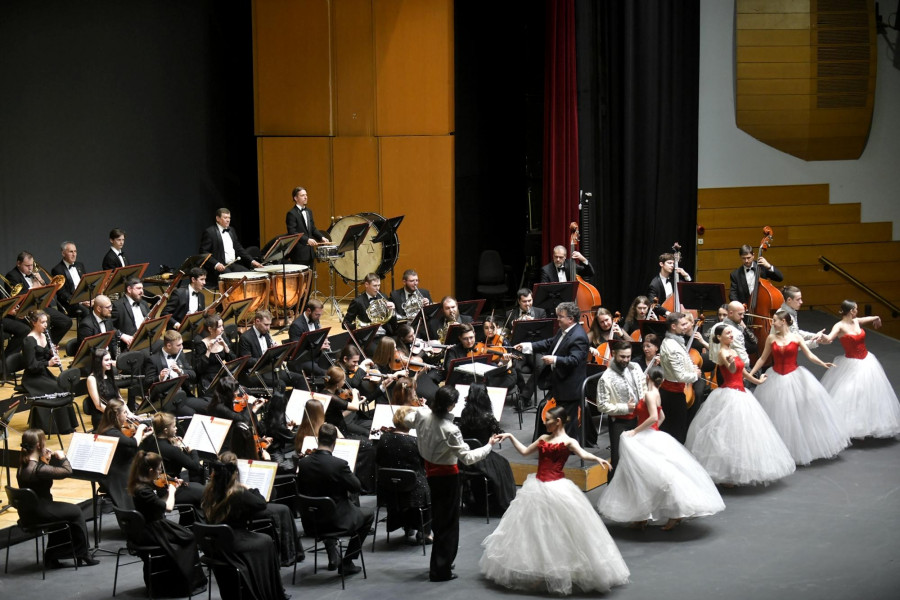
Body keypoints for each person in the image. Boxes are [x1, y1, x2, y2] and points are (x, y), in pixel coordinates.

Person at [481, 406, 629, 595]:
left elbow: (583, 454)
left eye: (548, 420)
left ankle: (558, 571)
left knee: (558, 533)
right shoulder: (543, 439)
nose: (545, 423)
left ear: (558, 422)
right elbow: (525, 452)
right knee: (538, 532)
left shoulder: (568, 441)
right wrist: (510, 436)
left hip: (557, 489)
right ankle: (542, 571)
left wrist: (599, 460)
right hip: (537, 488)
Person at [597, 367, 724, 531]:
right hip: (652, 434)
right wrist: (654, 429)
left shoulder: (650, 395)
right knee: (645, 476)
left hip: (647, 435)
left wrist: (635, 431)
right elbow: (661, 416)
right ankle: (643, 516)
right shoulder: (656, 393)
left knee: (648, 476)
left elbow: (654, 417)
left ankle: (665, 514)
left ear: (648, 377)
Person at [403, 386, 501, 582]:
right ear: (451, 405)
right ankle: (441, 569)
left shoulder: (422, 414)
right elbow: (468, 458)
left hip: (428, 471)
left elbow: (406, 420)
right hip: (447, 477)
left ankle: (444, 560)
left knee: (439, 519)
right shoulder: (450, 429)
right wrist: (489, 445)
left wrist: (419, 408)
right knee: (447, 523)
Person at [685, 324, 795, 486]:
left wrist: (758, 380)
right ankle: (726, 473)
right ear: (719, 337)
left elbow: (742, 372)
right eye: (727, 333)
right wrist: (730, 362)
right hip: (729, 393)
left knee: (744, 432)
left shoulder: (733, 351)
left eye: (731, 333)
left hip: (741, 392)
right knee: (727, 433)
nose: (731, 335)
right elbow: (731, 367)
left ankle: (736, 470)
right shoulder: (722, 352)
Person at [748, 310, 849, 465]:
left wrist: (822, 363)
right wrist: (751, 374)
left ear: (783, 322)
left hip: (794, 376)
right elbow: (762, 358)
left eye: (774, 320)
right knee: (778, 412)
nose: (772, 323)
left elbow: (809, 355)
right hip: (775, 377)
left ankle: (798, 447)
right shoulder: (771, 338)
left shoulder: (796, 338)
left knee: (797, 413)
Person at [202, 455, 289, 600]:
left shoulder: (208, 491)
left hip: (215, 542)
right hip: (233, 542)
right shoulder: (238, 493)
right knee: (266, 540)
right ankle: (269, 591)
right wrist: (250, 488)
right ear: (235, 475)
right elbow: (261, 503)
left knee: (261, 539)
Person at [295, 423, 373, 576]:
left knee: (324, 508)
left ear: (318, 440)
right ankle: (348, 561)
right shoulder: (339, 464)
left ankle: (332, 551)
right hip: (337, 521)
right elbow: (356, 487)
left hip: (312, 522)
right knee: (368, 514)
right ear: (334, 442)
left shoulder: (303, 463)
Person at [127, 451, 207, 596]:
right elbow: (168, 507)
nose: (160, 473)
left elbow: (158, 504)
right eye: (158, 469)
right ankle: (185, 583)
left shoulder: (141, 484)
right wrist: (171, 491)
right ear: (150, 470)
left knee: (187, 535)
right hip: (152, 529)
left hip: (152, 525)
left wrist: (170, 488)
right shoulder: (143, 491)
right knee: (188, 538)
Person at [16, 429, 98, 569]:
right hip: (41, 511)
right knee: (76, 511)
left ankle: (53, 555)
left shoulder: (23, 465)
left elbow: (40, 478)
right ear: (39, 446)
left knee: (63, 515)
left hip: (29, 512)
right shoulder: (38, 469)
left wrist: (45, 461)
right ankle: (83, 553)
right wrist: (62, 457)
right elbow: (67, 471)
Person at [819, 300, 900, 439]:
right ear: (851, 311)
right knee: (850, 392)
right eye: (856, 309)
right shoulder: (839, 326)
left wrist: (876, 318)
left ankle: (870, 423)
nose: (857, 311)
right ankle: (847, 426)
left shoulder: (856, 321)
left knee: (870, 392)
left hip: (867, 360)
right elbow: (830, 338)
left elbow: (865, 319)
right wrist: (823, 338)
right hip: (851, 363)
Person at [515, 301, 589, 439]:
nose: (558, 319)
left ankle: (569, 448)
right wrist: (528, 346)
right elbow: (550, 342)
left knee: (569, 421)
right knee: (563, 419)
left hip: (570, 386)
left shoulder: (578, 336)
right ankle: (563, 445)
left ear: (570, 319)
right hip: (561, 382)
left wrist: (554, 359)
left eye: (560, 316)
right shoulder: (565, 331)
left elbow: (574, 360)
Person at [374, 406, 432, 544]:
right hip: (413, 488)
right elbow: (425, 464)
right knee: (427, 486)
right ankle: (424, 532)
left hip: (388, 487)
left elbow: (378, 460)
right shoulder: (416, 442)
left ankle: (407, 526)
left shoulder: (384, 438)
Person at [457, 384, 516, 516]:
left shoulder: (464, 413)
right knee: (504, 464)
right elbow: (500, 433)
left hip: (466, 456)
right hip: (483, 457)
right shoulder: (488, 416)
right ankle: (498, 503)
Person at [138, 413, 206, 521]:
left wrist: (173, 444)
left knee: (195, 487)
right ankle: (197, 523)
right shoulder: (171, 450)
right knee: (206, 492)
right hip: (168, 489)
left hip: (150, 487)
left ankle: (187, 520)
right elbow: (195, 466)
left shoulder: (148, 441)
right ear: (165, 430)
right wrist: (193, 451)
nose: (176, 429)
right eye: (174, 426)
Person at [22, 310, 77, 435]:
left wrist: (50, 354)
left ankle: (66, 425)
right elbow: (31, 366)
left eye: (46, 322)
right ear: (34, 323)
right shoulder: (29, 341)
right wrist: (49, 363)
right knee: (56, 387)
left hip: (43, 373)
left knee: (63, 385)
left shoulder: (44, 335)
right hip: (32, 378)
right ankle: (55, 427)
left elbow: (43, 356)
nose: (45, 325)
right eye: (42, 322)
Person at [5, 251, 72, 345]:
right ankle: (45, 348)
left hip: (41, 307)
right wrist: (33, 287)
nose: (30, 268)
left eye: (31, 265)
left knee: (66, 322)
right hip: (26, 311)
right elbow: (17, 296)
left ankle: (49, 345)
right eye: (27, 265)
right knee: (44, 322)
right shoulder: (12, 275)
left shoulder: (34, 274)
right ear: (18, 263)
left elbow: (45, 293)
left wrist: (42, 282)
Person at [96, 398, 152, 509]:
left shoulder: (109, 429)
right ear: (117, 414)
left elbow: (129, 443)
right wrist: (140, 428)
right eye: (125, 412)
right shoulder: (111, 432)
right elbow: (133, 443)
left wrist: (145, 435)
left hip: (121, 467)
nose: (127, 415)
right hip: (117, 474)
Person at [596, 341, 642, 473]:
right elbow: (602, 406)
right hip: (619, 423)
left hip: (639, 419)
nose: (626, 360)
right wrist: (625, 408)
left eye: (628, 356)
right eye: (622, 357)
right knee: (617, 460)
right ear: (614, 354)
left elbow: (642, 388)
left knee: (637, 459)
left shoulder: (636, 367)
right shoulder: (606, 378)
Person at [657, 312, 700, 444]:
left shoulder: (673, 341)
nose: (685, 327)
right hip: (672, 397)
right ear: (673, 326)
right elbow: (680, 376)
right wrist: (695, 375)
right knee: (676, 433)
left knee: (674, 431)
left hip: (673, 393)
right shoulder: (672, 346)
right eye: (682, 325)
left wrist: (691, 367)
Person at [144, 330, 207, 416]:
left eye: (181, 344)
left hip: (183, 395)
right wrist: (159, 378)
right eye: (178, 345)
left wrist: (180, 371)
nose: (182, 347)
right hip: (166, 400)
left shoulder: (180, 355)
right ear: (169, 345)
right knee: (191, 413)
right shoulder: (153, 360)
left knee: (208, 406)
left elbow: (193, 375)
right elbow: (147, 384)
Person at [199, 208, 263, 286]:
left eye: (229, 218)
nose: (228, 220)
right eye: (225, 218)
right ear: (218, 218)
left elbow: (239, 249)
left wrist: (252, 261)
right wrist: (216, 264)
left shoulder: (231, 230)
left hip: (233, 265)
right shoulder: (210, 232)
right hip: (220, 267)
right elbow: (203, 252)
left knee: (249, 276)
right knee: (232, 281)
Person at [286, 186, 330, 266]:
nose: (305, 197)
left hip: (310, 253)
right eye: (302, 195)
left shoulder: (309, 211)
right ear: (295, 198)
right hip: (299, 254)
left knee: (310, 278)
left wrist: (321, 237)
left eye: (306, 195)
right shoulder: (291, 214)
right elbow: (292, 232)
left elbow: (312, 228)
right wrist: (306, 240)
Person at [286, 298, 329, 376]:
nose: (319, 317)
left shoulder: (315, 319)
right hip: (301, 361)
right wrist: (318, 347)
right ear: (309, 310)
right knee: (325, 373)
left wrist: (323, 340)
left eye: (320, 314)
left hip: (314, 357)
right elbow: (298, 350)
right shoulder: (296, 325)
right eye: (317, 314)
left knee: (334, 365)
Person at [195, 313, 236, 393]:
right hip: (209, 381)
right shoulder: (202, 344)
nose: (222, 329)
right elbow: (199, 369)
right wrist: (208, 351)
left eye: (222, 326)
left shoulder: (223, 337)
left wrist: (226, 347)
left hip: (222, 377)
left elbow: (232, 360)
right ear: (210, 329)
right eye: (219, 326)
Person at [85, 348, 125, 429]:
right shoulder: (91, 379)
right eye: (107, 360)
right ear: (99, 362)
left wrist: (127, 412)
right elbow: (98, 405)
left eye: (110, 359)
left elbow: (119, 397)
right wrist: (116, 417)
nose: (110, 362)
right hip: (103, 418)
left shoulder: (109, 376)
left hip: (116, 414)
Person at [51, 241, 89, 318]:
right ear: (63, 253)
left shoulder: (80, 265)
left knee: (103, 305)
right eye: (71, 252)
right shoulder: (57, 270)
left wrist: (91, 298)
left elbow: (86, 285)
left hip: (83, 299)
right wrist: (80, 302)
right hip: (70, 304)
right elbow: (62, 293)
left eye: (75, 251)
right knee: (87, 312)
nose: (74, 254)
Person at [111, 276, 149, 350]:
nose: (142, 291)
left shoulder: (143, 303)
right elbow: (109, 326)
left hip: (145, 340)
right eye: (138, 288)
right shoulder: (117, 305)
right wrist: (121, 335)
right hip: (129, 345)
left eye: (142, 288)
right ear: (129, 289)